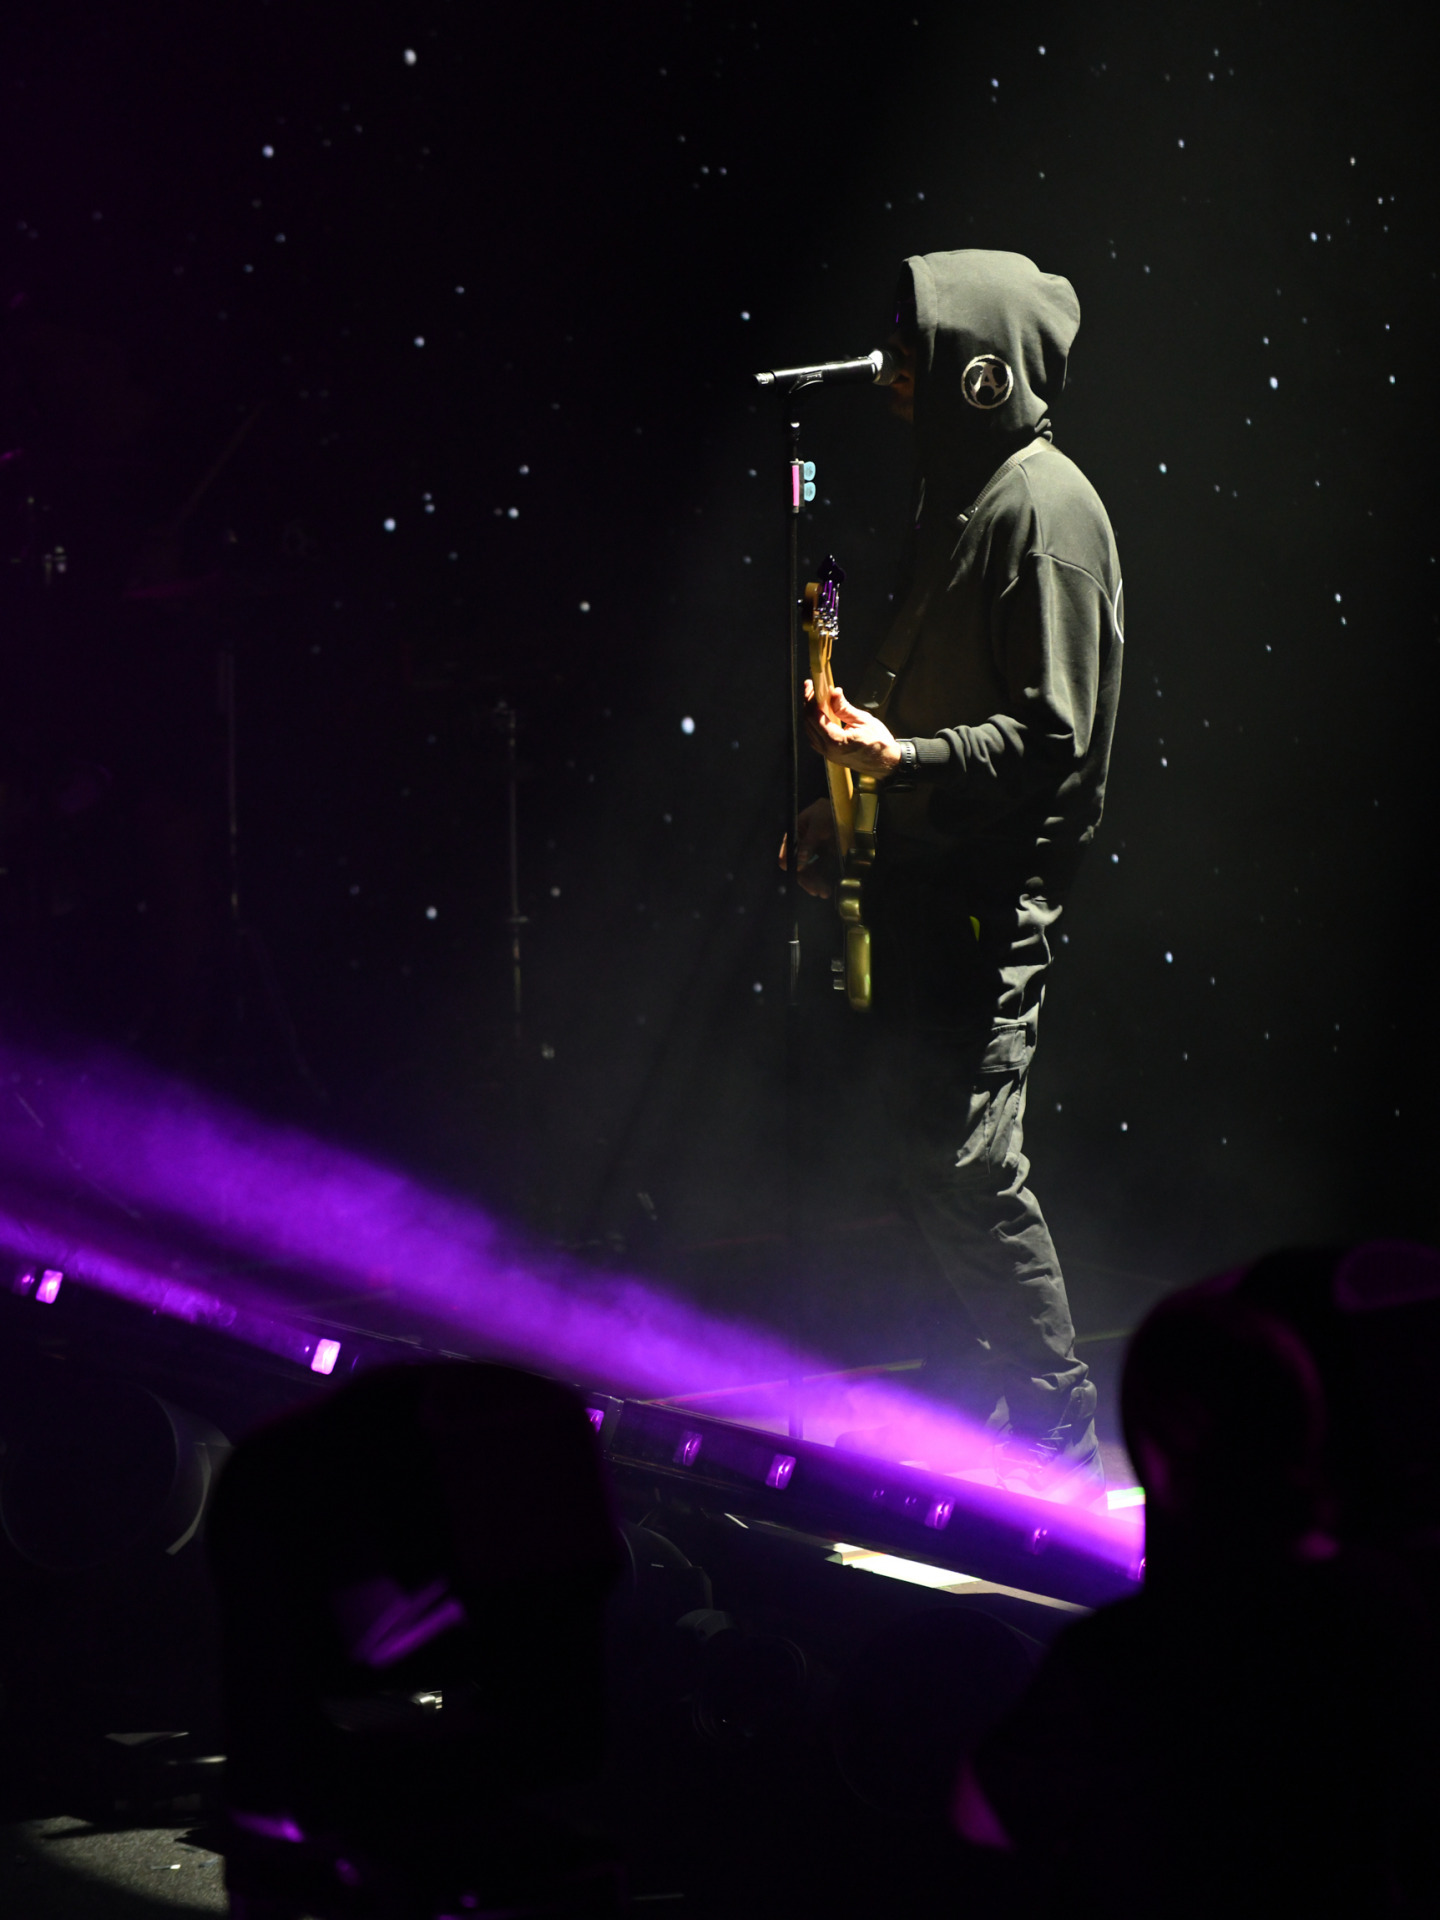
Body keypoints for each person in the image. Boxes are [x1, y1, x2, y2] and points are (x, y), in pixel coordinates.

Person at [788, 250, 1124, 1501]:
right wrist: (850, 806)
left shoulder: (1049, 513)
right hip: (933, 879)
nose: (894, 369)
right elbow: (920, 687)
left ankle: (1053, 1432)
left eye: (919, 347)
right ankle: (991, 1393)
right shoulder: (971, 497)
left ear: (979, 368)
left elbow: (1054, 739)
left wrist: (905, 757)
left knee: (972, 1163)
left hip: (995, 899)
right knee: (921, 1153)